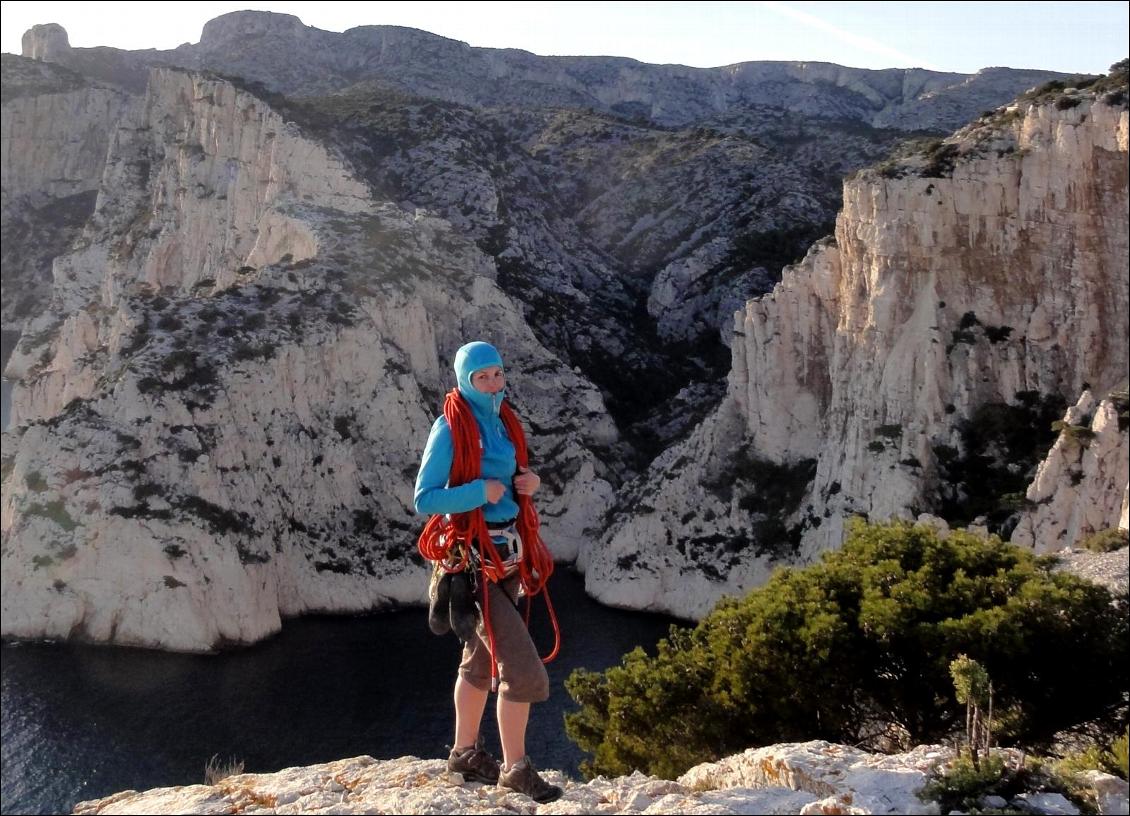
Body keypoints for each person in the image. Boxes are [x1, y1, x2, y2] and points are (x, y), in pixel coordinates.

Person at [413, 340, 564, 804]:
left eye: (498, 374)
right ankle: (515, 769)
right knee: (523, 672)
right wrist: (480, 491)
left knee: (479, 661)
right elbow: (425, 498)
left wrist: (530, 484)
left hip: (508, 559)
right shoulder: (450, 428)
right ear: (465, 381)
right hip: (474, 561)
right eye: (483, 377)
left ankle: (463, 754)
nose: (494, 383)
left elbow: (513, 486)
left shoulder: (503, 422)